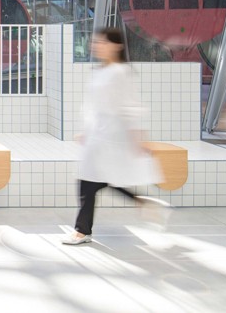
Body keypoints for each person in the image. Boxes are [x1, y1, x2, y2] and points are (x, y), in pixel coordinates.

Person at [63, 27, 166, 245]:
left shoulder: (121, 73)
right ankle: (142, 202)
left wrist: (137, 138)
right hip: (98, 132)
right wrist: (87, 130)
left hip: (111, 134)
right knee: (99, 179)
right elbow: (92, 105)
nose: (97, 46)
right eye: (96, 42)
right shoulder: (99, 71)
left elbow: (130, 106)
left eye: (103, 42)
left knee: (90, 181)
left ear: (117, 46)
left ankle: (82, 231)